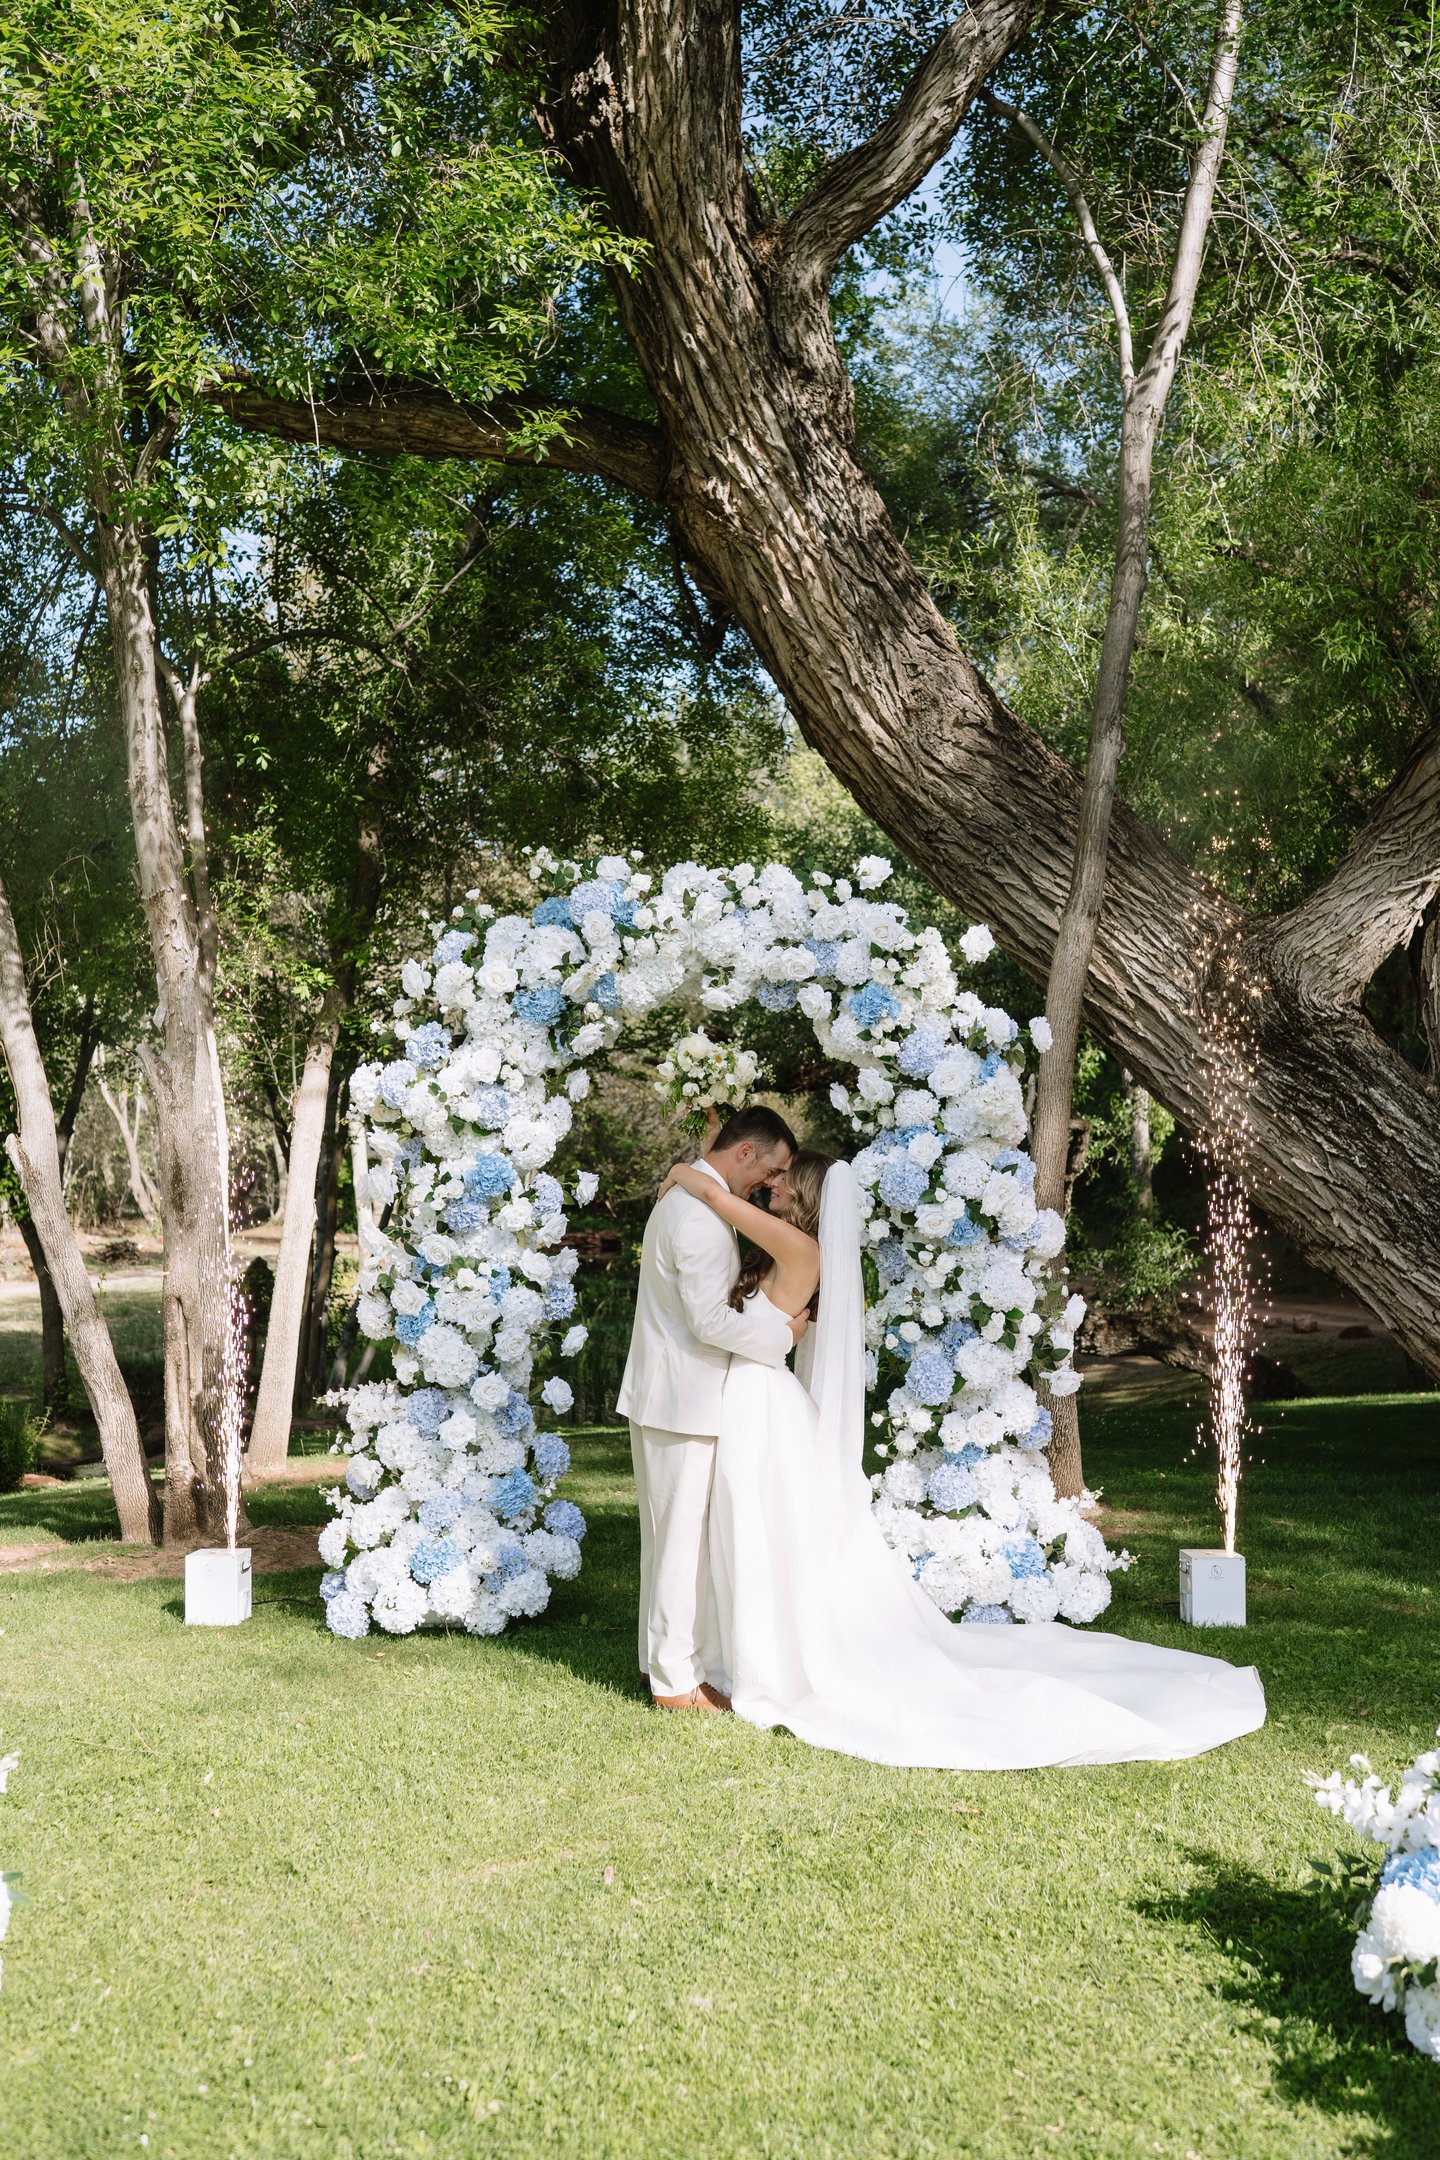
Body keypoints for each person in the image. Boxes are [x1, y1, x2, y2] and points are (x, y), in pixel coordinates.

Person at [655, 1148, 1267, 1769]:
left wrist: (688, 1174)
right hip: (753, 1398)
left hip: (762, 1401)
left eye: (784, 1179)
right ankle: (738, 1647)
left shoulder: (799, 1248)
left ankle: (765, 1656)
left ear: (809, 1195)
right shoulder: (785, 1244)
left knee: (764, 1530)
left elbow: (721, 1201)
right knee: (755, 1530)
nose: (772, 1185)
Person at [615, 1105, 807, 1713]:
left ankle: (663, 1665)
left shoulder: (692, 1198)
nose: (769, 1185)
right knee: (679, 1547)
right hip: (682, 1400)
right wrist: (783, 1339)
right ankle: (674, 1684)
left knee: (669, 1540)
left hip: (671, 1396)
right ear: (746, 1152)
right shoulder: (696, 1214)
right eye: (771, 1168)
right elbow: (707, 1321)